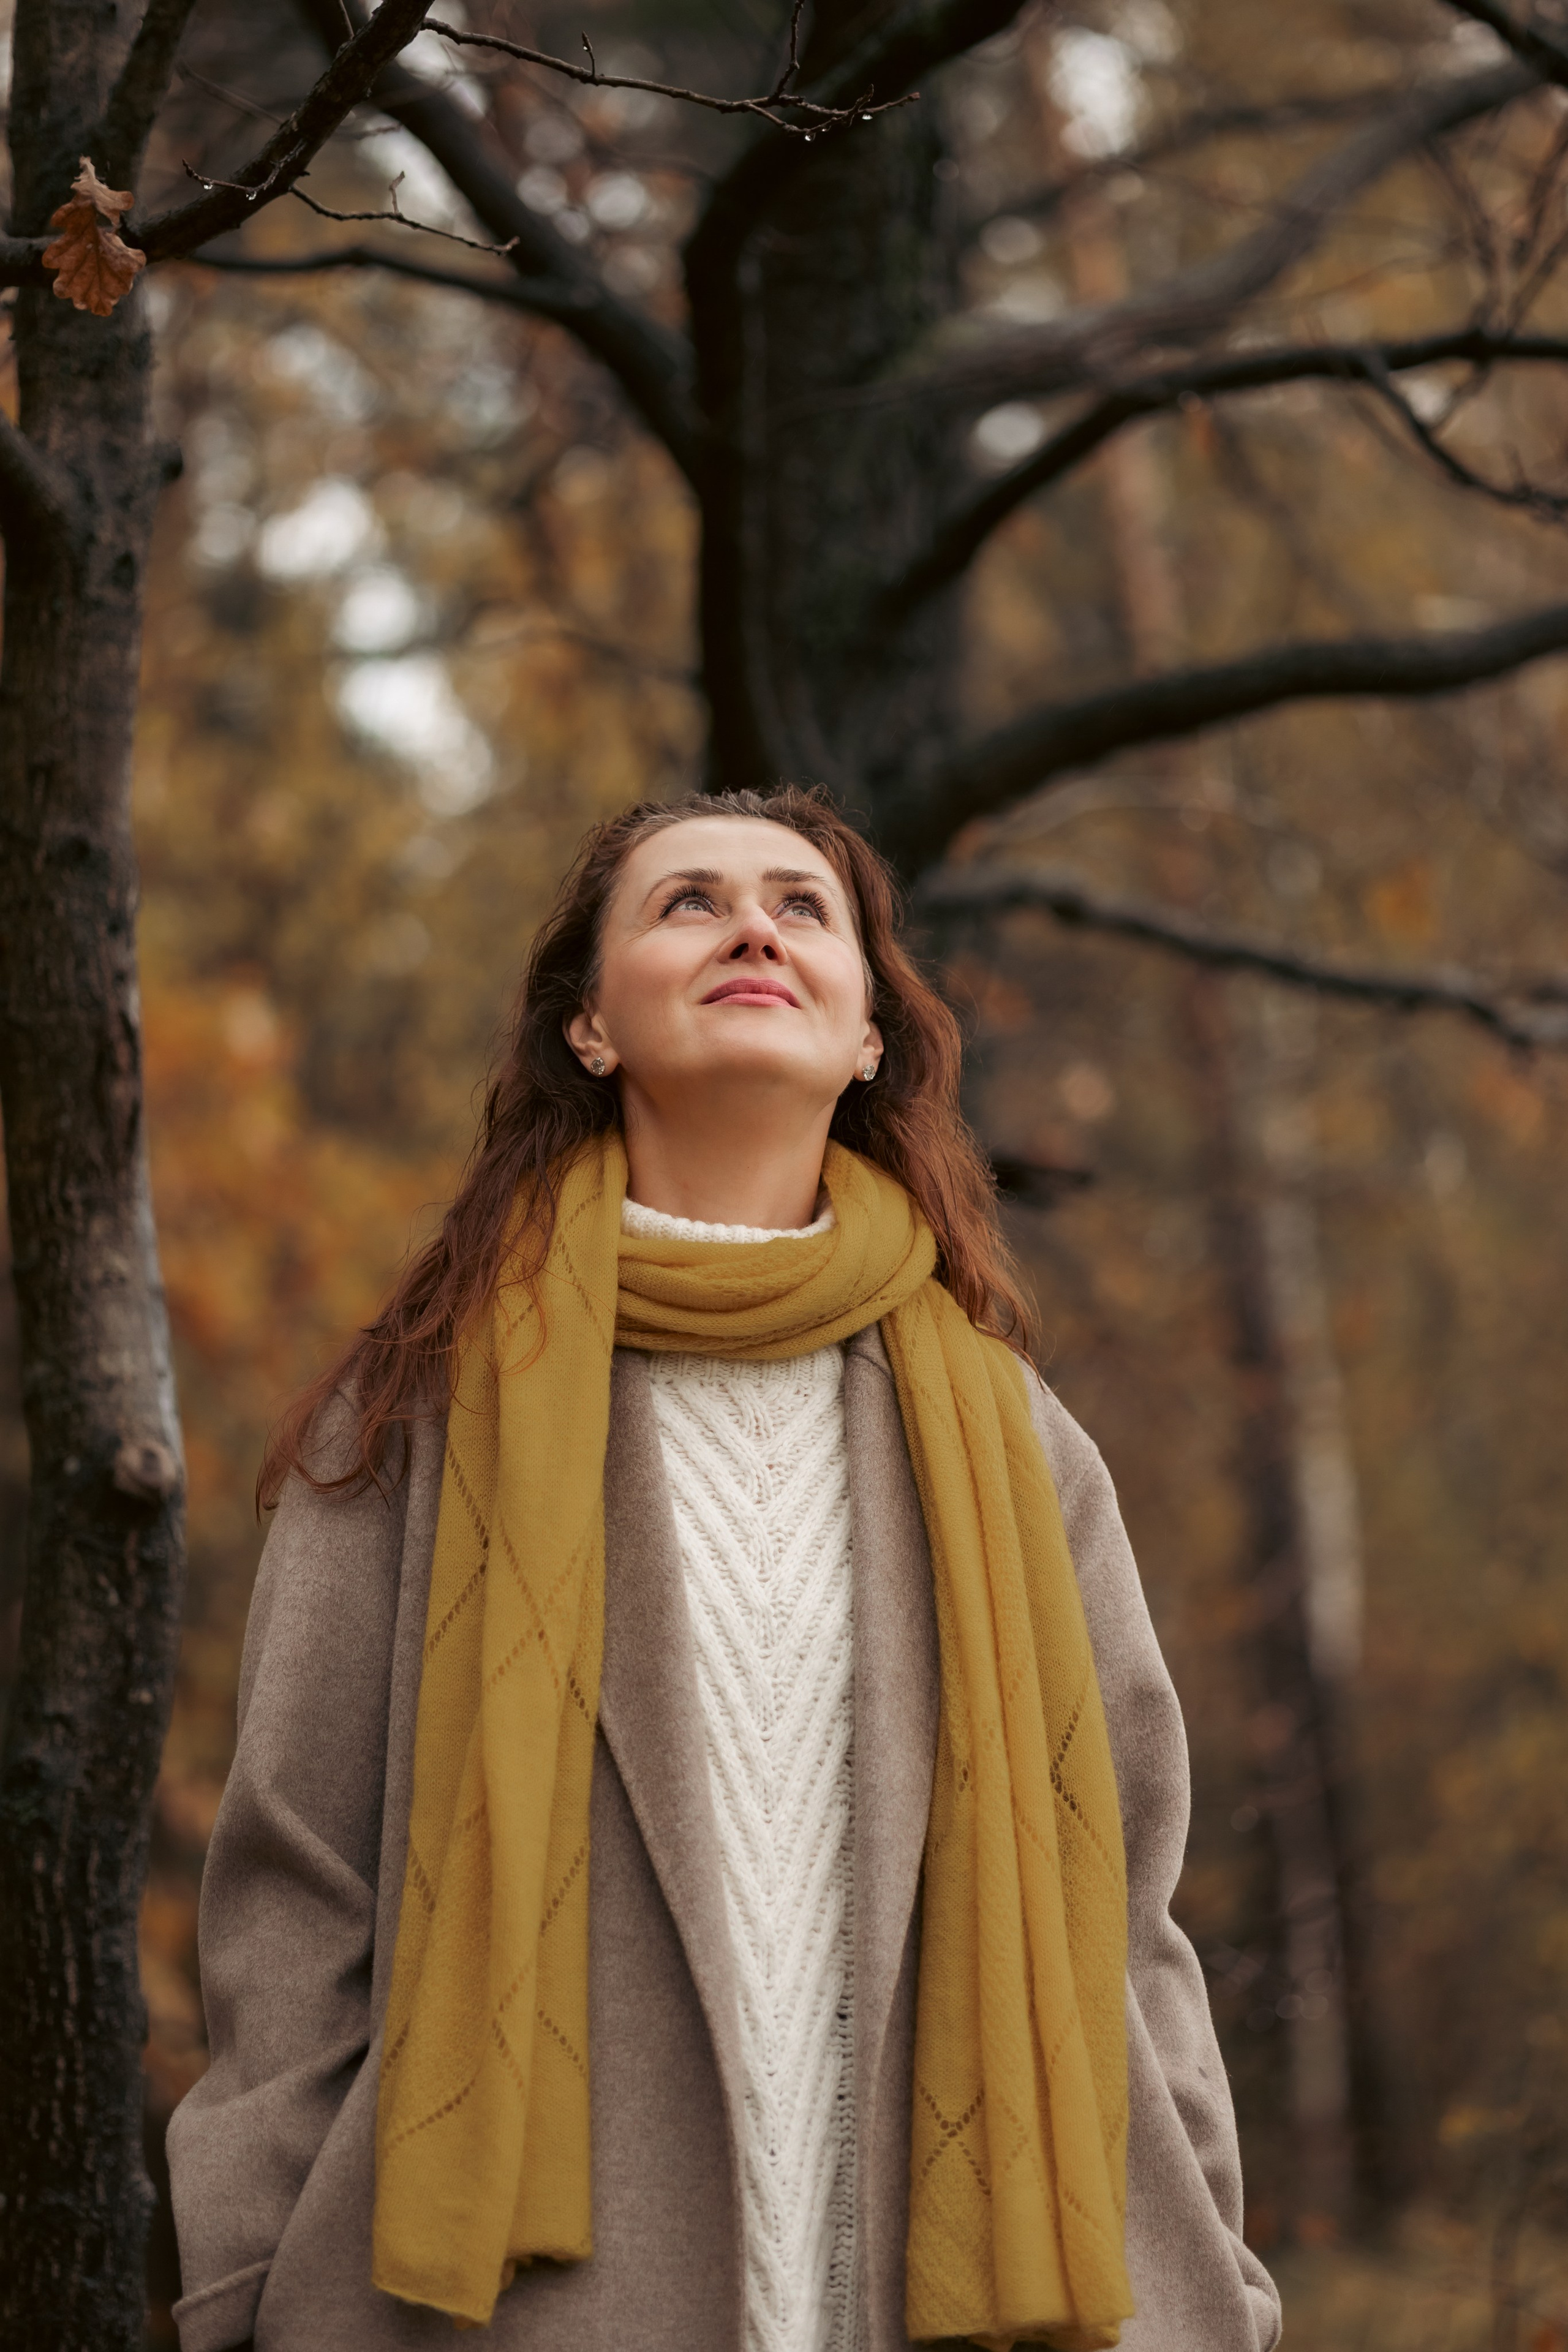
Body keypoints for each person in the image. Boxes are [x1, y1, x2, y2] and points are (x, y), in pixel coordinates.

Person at [167, 786, 1281, 2352]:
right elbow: (293, 1892)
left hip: (967, 2297)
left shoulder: (1016, 1442)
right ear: (589, 1030)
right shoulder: (418, 1410)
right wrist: (244, 2290)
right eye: (686, 902)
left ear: (870, 1039)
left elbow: (1131, 1930)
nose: (753, 923)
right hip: (503, 2312)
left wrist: (1214, 2280)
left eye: (801, 907)